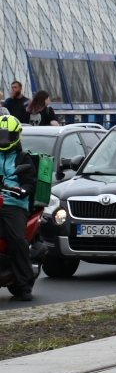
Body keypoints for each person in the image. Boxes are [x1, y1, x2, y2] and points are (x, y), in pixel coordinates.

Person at [0, 115, 33, 301]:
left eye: (7, 137)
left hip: (14, 203)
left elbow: (30, 183)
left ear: (16, 137)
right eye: (0, 136)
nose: (3, 140)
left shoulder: (23, 157)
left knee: (17, 239)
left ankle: (25, 284)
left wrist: (23, 190)